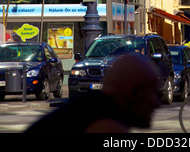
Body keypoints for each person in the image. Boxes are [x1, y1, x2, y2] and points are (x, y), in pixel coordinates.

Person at [25, 53, 160, 133]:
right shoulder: (106, 126)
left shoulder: (84, 108)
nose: (157, 103)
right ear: (134, 91)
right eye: (153, 92)